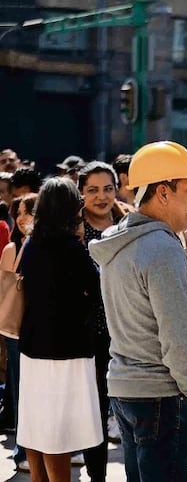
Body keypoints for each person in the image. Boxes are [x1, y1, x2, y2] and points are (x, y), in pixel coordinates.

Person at [89, 141, 187, 482]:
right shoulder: (160, 248)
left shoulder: (120, 241)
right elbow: (176, 333)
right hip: (164, 394)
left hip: (130, 389)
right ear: (163, 192)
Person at [18, 178, 103, 482]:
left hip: (32, 345)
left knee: (36, 426)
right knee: (58, 434)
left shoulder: (31, 243)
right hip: (66, 348)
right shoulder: (71, 248)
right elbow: (97, 288)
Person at [77, 161, 129, 482]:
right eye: (93, 190)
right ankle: (97, 475)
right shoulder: (73, 229)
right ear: (81, 192)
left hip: (127, 330)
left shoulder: (127, 222)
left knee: (128, 409)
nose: (101, 197)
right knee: (94, 411)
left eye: (108, 188)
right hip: (89, 335)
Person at [0, 193, 37, 472]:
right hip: (16, 329)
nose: (23, 218)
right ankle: (22, 448)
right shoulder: (12, 247)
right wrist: (26, 244)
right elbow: (10, 287)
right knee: (22, 389)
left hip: (44, 328)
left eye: (30, 212)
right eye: (20, 213)